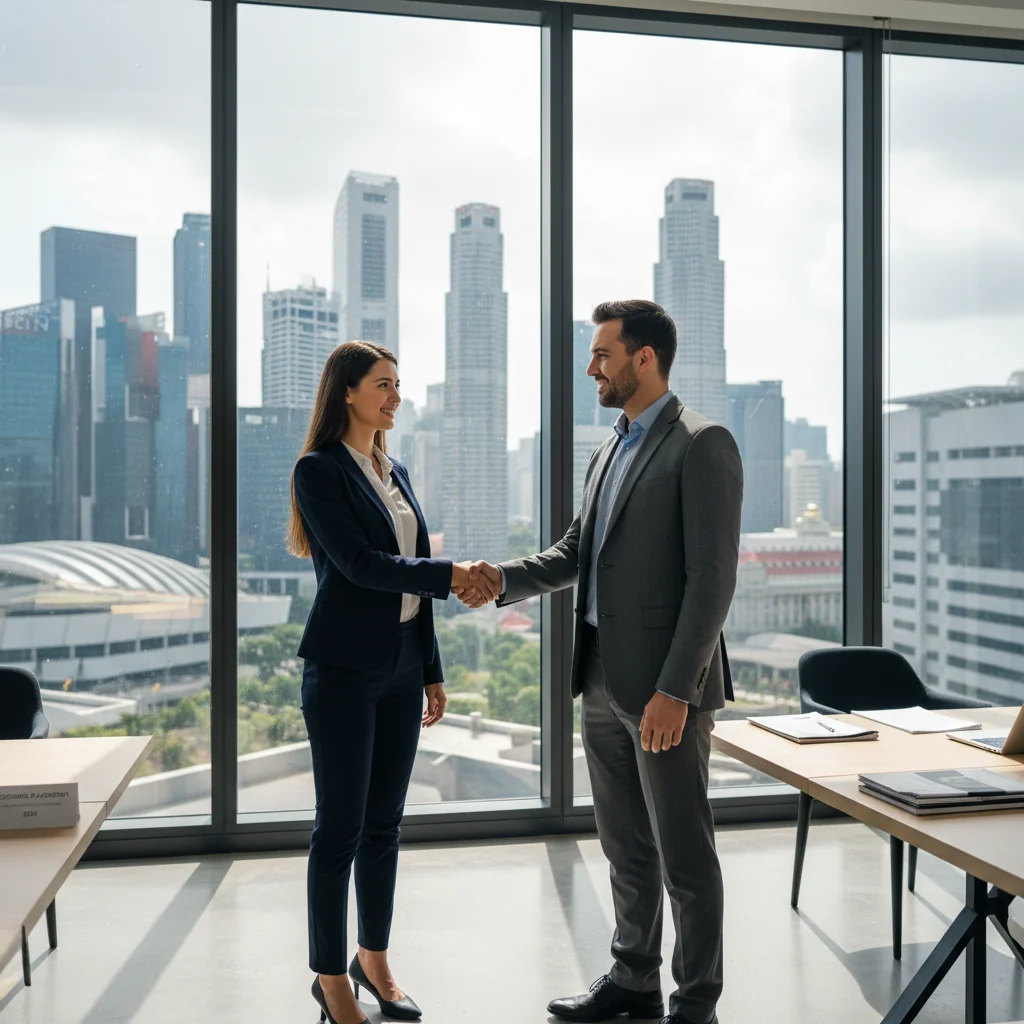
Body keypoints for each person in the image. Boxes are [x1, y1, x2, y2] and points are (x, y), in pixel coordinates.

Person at [461, 300, 742, 1024]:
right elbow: (576, 553)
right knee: (625, 847)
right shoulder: (609, 447)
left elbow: (712, 579)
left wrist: (677, 689)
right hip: (600, 680)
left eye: (603, 355)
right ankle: (633, 977)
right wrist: (504, 577)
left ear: (644, 358)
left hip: (663, 691)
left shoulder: (703, 444)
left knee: (685, 854)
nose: (593, 368)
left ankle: (696, 1003)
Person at [289, 341, 498, 1024]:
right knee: (339, 830)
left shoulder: (394, 468)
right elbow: (360, 564)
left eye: (398, 385)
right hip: (345, 670)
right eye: (382, 384)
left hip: (404, 665)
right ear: (347, 392)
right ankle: (330, 979)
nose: (395, 396)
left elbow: (404, 562)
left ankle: (372, 960)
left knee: (385, 825)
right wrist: (449, 576)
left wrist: (430, 667)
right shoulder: (319, 471)